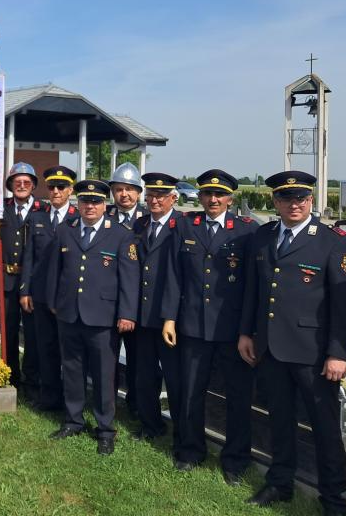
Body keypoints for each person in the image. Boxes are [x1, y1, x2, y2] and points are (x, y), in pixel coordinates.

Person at [239, 171, 346, 515]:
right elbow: (253, 290)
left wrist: (338, 353)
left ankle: (334, 497)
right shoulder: (263, 237)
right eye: (286, 198)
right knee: (280, 419)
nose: (295, 205)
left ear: (311, 200)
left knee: (324, 427)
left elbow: (344, 305)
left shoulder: (333, 242)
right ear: (275, 202)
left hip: (313, 353)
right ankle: (280, 483)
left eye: (301, 198)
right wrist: (246, 332)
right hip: (271, 348)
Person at [160, 169, 257, 482]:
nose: (213, 199)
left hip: (231, 330)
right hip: (193, 326)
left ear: (230, 199)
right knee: (191, 392)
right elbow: (174, 275)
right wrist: (170, 318)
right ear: (200, 197)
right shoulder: (186, 225)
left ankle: (235, 460)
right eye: (207, 194)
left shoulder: (246, 230)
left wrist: (247, 331)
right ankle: (190, 450)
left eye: (220, 195)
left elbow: (251, 285)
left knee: (238, 398)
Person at [47, 179, 138, 455]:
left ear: (104, 205)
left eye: (96, 201)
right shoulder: (65, 230)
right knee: (72, 370)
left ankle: (105, 430)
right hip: (69, 314)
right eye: (85, 201)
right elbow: (55, 270)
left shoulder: (120, 234)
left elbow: (129, 278)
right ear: (78, 203)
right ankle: (73, 420)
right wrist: (54, 302)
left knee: (103, 375)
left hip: (103, 318)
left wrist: (127, 313)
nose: (90, 206)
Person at [132, 172, 184, 455]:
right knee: (145, 375)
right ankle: (150, 424)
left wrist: (170, 317)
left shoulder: (182, 226)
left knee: (175, 380)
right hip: (143, 314)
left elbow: (181, 276)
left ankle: (180, 432)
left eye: (161, 196)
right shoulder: (140, 224)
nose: (154, 201)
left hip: (170, 319)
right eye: (150, 195)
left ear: (173, 198)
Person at [22, 165, 77, 412]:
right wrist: (25, 290)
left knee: (70, 352)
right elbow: (29, 257)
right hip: (42, 294)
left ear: (70, 190)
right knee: (45, 347)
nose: (56, 191)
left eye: (61, 187)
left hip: (69, 297)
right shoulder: (37, 217)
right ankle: (49, 397)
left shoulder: (78, 218)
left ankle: (71, 399)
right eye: (52, 186)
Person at [0, 162, 41, 391]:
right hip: (6, 279)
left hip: (33, 283)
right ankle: (10, 374)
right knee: (8, 330)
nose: (22, 185)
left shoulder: (43, 210)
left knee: (32, 332)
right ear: (10, 185)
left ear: (33, 185)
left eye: (27, 182)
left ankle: (31, 377)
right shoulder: (1, 209)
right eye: (17, 182)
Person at [106, 162, 148, 418]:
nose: (124, 195)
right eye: (119, 189)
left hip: (140, 302)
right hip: (109, 300)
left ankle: (135, 405)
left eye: (130, 189)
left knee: (137, 359)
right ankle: (108, 402)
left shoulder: (147, 220)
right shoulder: (104, 217)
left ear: (139, 193)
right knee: (109, 357)